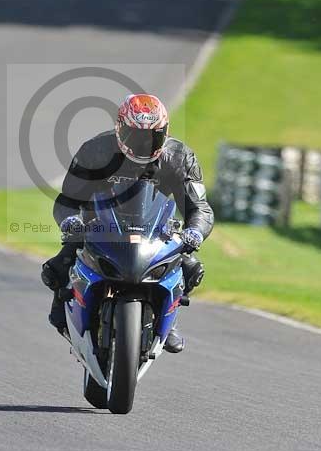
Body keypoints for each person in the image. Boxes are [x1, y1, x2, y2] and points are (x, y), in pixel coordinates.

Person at [41, 93, 214, 353]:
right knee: (59, 266)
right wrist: (71, 222)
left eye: (152, 136)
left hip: (153, 229)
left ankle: (169, 316)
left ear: (165, 132)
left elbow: (199, 207)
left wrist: (195, 232)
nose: (144, 144)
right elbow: (66, 200)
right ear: (120, 128)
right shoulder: (95, 151)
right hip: (100, 226)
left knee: (191, 268)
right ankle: (65, 308)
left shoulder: (180, 157)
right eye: (136, 135)